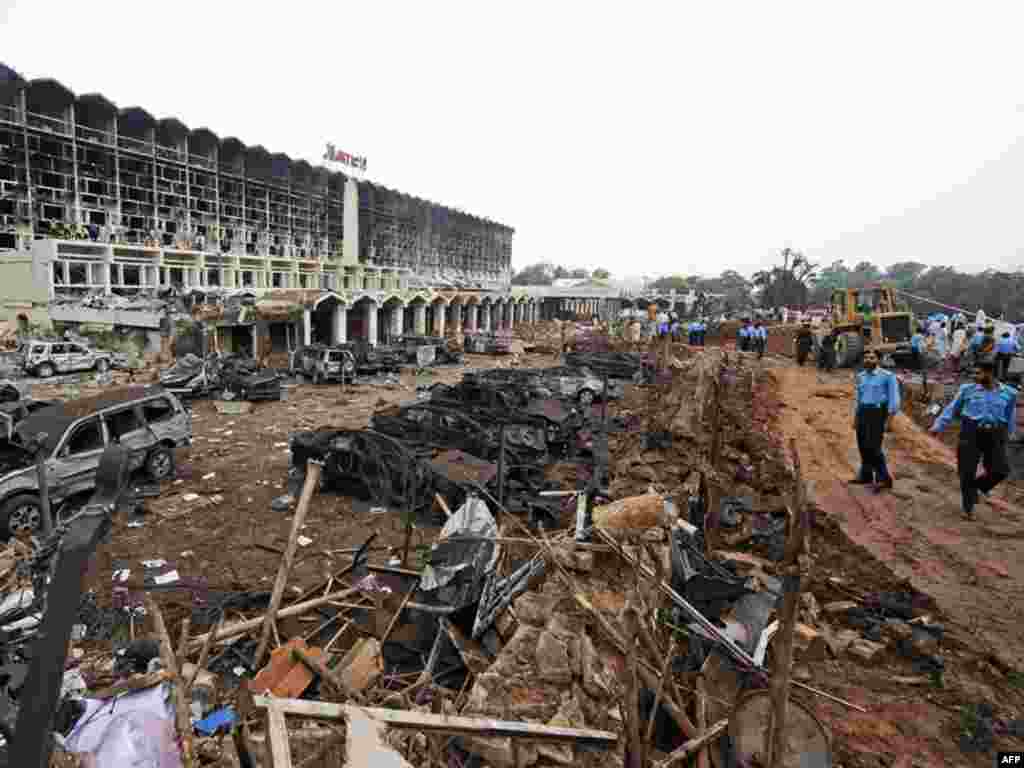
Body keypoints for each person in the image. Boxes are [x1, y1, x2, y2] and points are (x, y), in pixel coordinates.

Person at [930, 357, 1017, 519]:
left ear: (989, 373)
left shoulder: (1009, 393)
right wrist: (938, 426)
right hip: (970, 432)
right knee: (966, 471)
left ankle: (978, 488)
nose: (974, 376)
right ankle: (968, 508)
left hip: (995, 433)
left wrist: (1009, 434)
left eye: (978, 373)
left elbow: (1010, 415)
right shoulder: (967, 389)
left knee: (1000, 470)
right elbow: (951, 408)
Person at [850, 349, 900, 491]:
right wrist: (856, 418)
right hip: (863, 412)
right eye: (866, 358)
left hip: (878, 413)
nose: (868, 360)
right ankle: (865, 475)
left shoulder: (887, 376)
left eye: (872, 358)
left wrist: (889, 420)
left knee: (874, 448)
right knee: (863, 446)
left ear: (878, 360)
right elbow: (859, 398)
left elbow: (894, 400)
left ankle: (884, 479)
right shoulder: (861, 376)